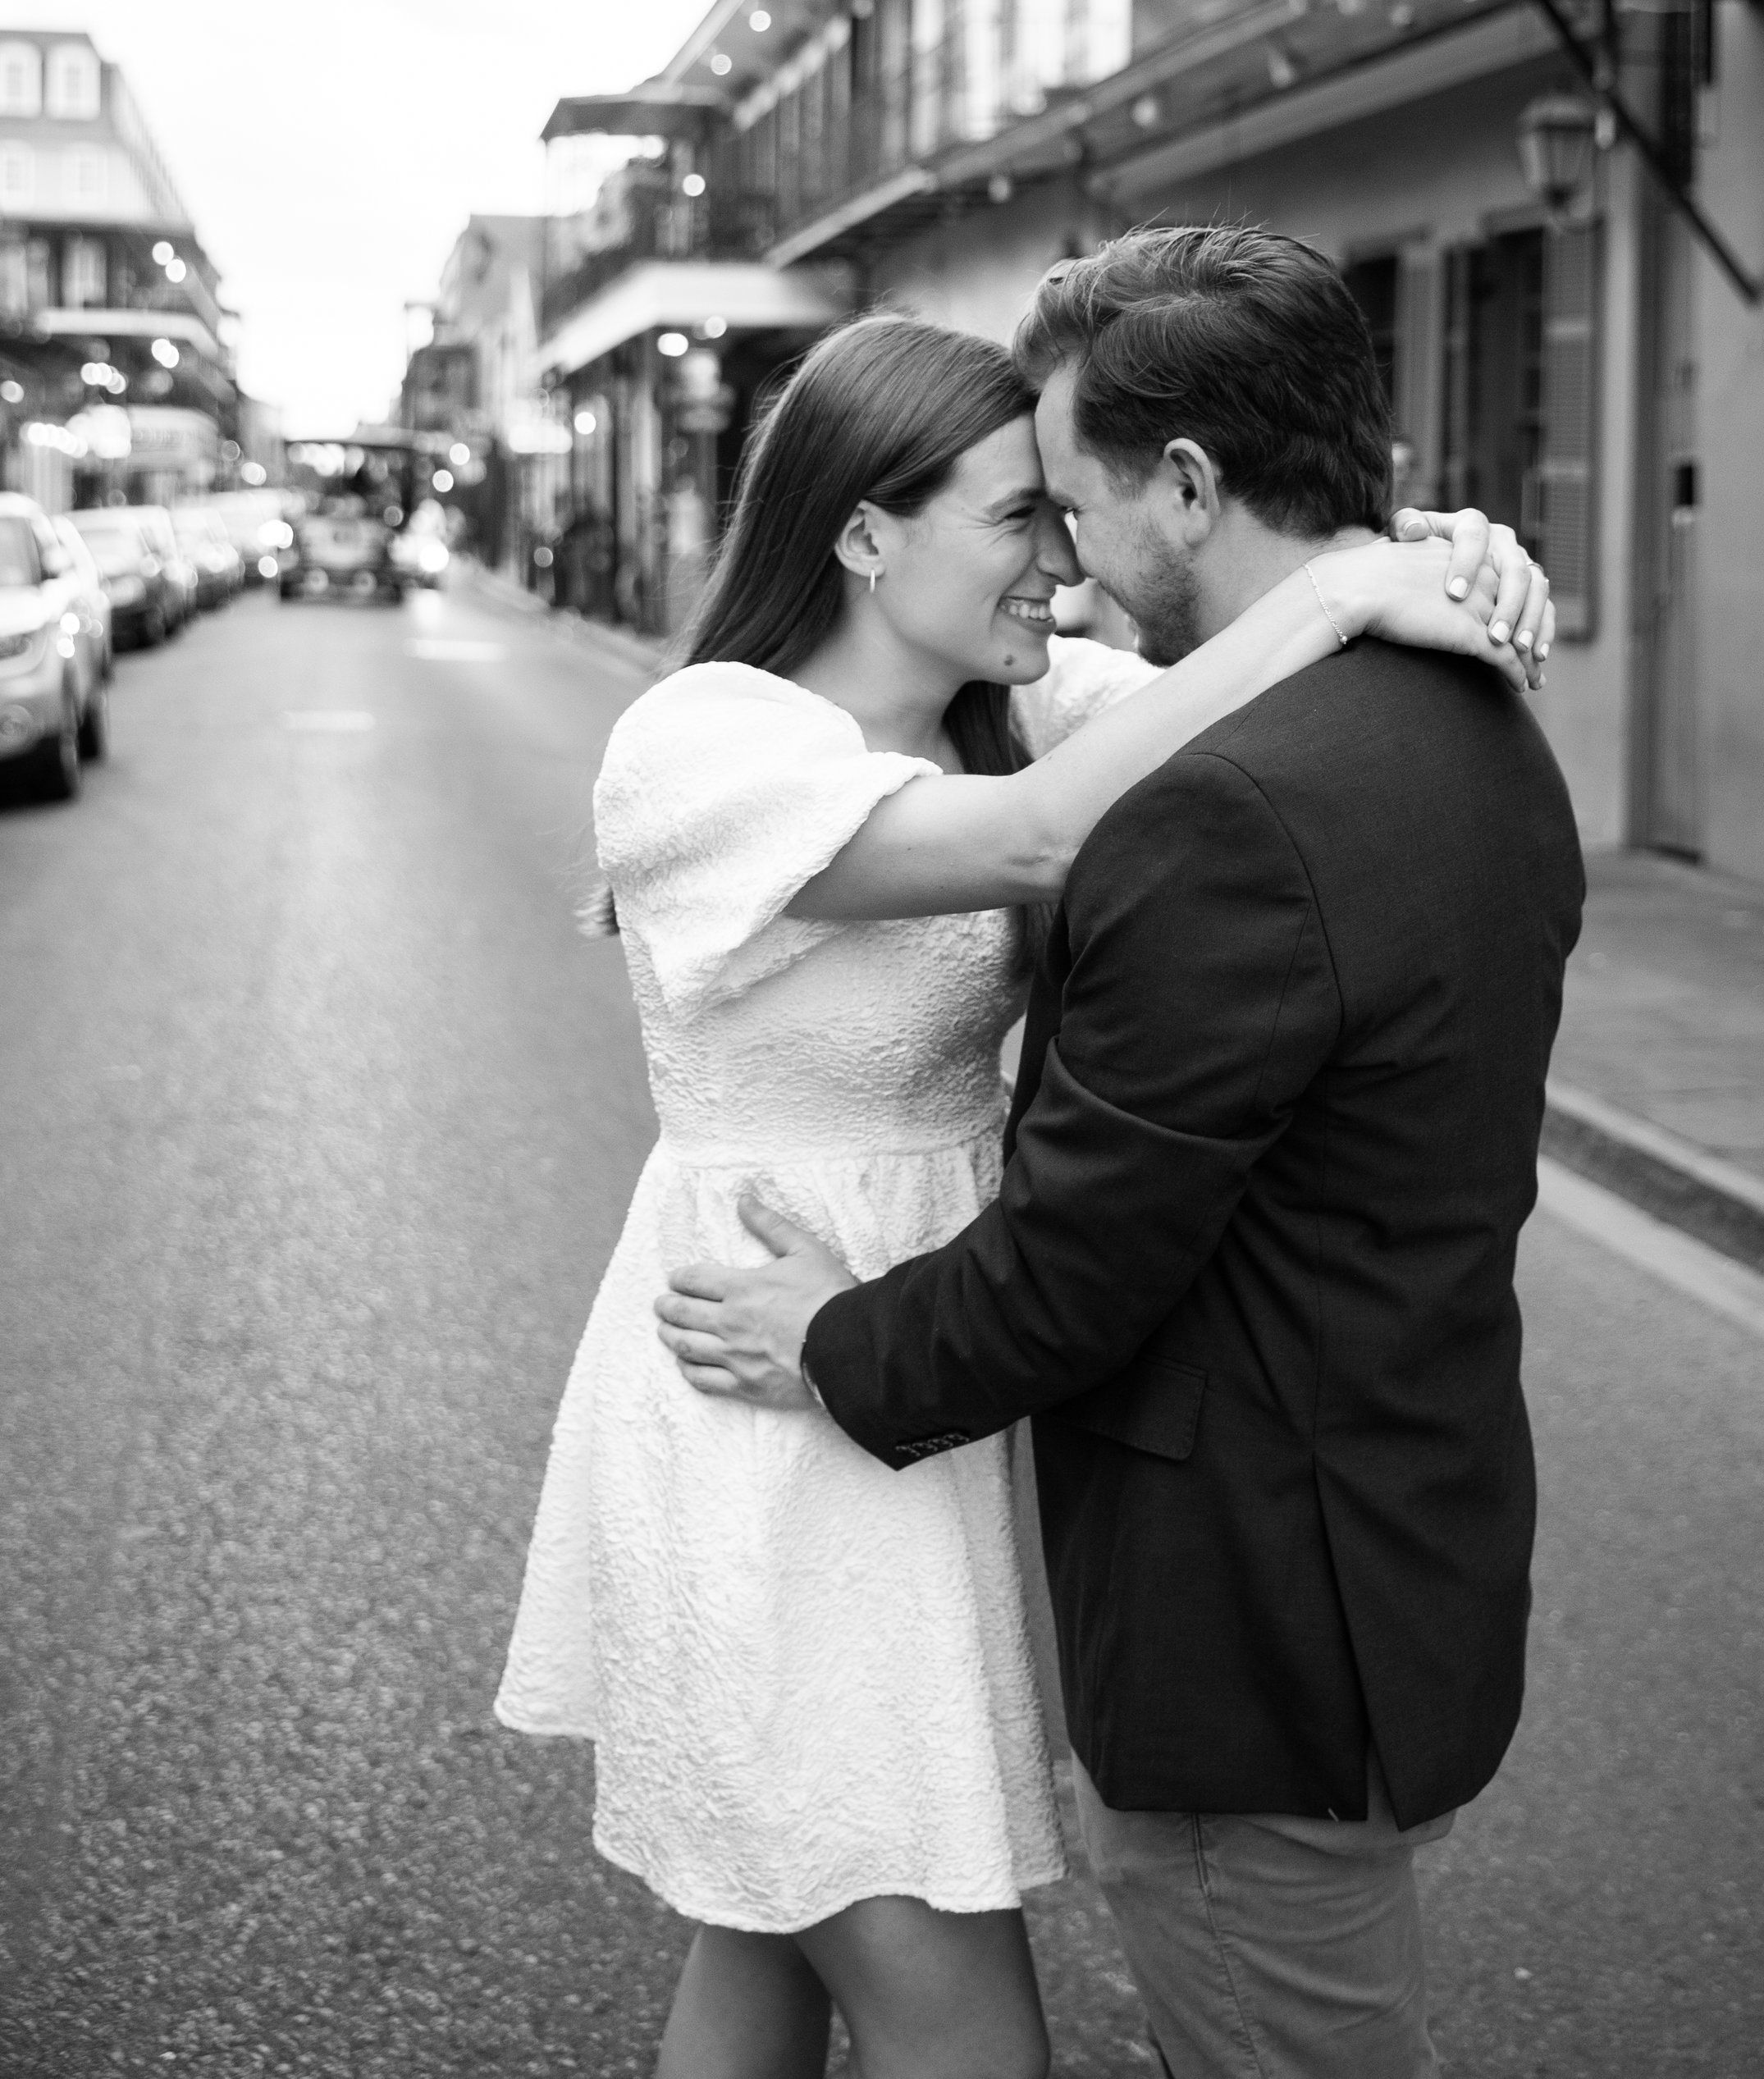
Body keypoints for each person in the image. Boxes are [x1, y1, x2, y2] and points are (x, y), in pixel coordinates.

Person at [497, 296, 1551, 2079]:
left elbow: (1252, 708)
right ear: (860, 531)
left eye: (1066, 517)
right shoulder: (698, 746)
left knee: (762, 1947)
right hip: (765, 1378)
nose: (1059, 566)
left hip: (918, 1379)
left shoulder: (1023, 696)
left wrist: (1436, 550)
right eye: (1017, 518)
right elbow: (1050, 836)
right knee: (945, 2016)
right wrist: (1332, 594)